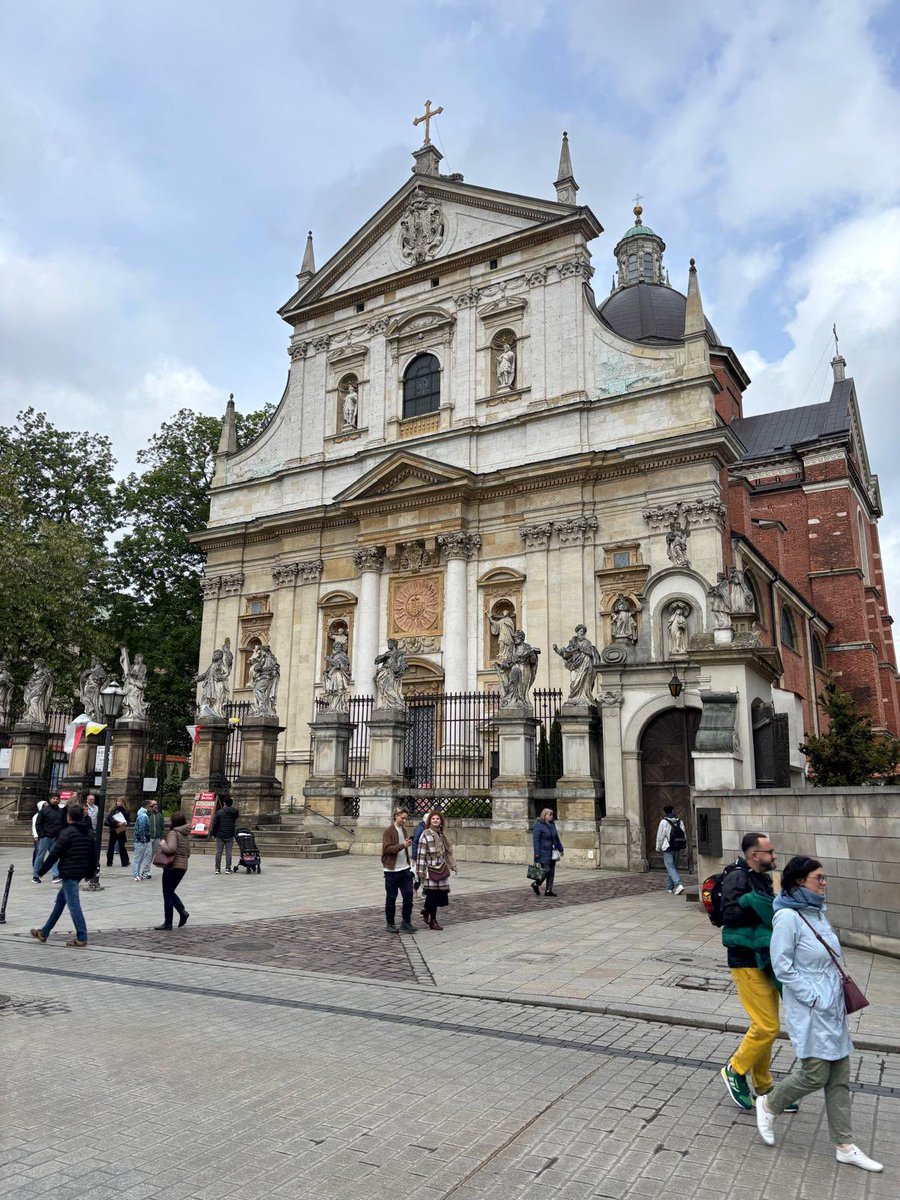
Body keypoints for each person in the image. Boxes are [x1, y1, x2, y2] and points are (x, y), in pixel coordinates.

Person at [755, 857, 882, 1171]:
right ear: (800, 881)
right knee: (815, 1073)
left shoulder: (817, 912)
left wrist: (830, 994)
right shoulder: (787, 917)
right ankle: (770, 1104)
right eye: (819, 878)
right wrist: (813, 996)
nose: (824, 883)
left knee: (839, 1075)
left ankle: (845, 1145)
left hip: (832, 1003)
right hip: (811, 1007)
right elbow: (782, 966)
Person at [720, 831, 791, 1113]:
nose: (774, 856)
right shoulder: (738, 877)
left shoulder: (760, 877)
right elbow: (730, 916)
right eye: (769, 852)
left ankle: (764, 1087)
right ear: (754, 855)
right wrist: (756, 905)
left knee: (768, 1025)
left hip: (763, 958)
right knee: (766, 1026)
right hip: (746, 960)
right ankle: (735, 1070)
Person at [30, 803, 97, 947]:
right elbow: (93, 855)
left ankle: (82, 936)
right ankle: (44, 932)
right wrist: (91, 872)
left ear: (69, 817)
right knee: (60, 902)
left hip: (69, 872)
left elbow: (54, 854)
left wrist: (41, 871)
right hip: (80, 871)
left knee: (73, 904)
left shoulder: (67, 832)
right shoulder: (89, 832)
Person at [416, 811, 456, 931]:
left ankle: (426, 911)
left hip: (441, 868)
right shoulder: (426, 834)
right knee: (432, 895)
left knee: (439, 896)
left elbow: (448, 851)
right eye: (433, 818)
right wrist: (420, 871)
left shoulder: (441, 834)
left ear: (441, 821)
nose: (435, 820)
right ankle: (433, 920)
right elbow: (421, 853)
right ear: (429, 821)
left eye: (437, 818)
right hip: (431, 869)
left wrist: (452, 865)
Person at [155, 812, 191, 931]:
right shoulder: (185, 834)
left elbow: (171, 849)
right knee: (170, 892)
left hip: (172, 867)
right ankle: (182, 912)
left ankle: (168, 922)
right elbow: (188, 853)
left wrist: (163, 844)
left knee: (167, 894)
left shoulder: (173, 833)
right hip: (182, 867)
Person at [381, 808, 415, 932]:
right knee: (391, 897)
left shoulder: (404, 830)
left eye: (406, 818)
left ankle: (406, 922)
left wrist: (406, 845)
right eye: (402, 818)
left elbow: (403, 847)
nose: (404, 820)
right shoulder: (388, 831)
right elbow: (388, 849)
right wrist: (403, 845)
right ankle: (390, 924)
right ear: (396, 816)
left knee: (408, 895)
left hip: (405, 868)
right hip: (391, 870)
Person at [33, 793, 65, 883]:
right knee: (40, 856)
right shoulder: (44, 811)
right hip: (46, 837)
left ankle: (56, 876)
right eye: (54, 798)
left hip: (56, 837)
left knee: (55, 856)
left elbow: (63, 824)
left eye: (57, 799)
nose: (55, 800)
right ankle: (35, 876)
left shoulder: (61, 811)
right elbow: (38, 824)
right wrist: (42, 835)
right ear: (50, 799)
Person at [531, 808, 563, 897]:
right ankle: (536, 884)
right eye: (550, 815)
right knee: (546, 870)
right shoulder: (538, 825)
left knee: (551, 872)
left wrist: (561, 849)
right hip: (542, 852)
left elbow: (556, 838)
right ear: (545, 815)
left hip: (552, 852)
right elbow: (536, 840)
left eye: (552, 815)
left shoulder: (552, 825)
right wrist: (536, 852)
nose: (552, 816)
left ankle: (548, 890)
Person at [655, 804, 686, 895]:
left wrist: (658, 848)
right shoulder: (680, 822)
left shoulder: (663, 822)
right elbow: (684, 834)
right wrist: (684, 846)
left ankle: (678, 884)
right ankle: (669, 887)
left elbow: (660, 836)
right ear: (672, 811)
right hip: (677, 847)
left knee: (670, 867)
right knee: (673, 867)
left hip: (667, 847)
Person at [211, 796, 240, 874]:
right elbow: (236, 818)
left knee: (219, 852)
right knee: (228, 852)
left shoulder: (219, 812)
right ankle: (227, 868)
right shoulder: (235, 812)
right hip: (230, 834)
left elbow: (215, 824)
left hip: (220, 835)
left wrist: (213, 833)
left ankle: (217, 869)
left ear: (224, 803)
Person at [131, 802, 153, 882]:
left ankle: (137, 874)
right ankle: (135, 875)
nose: (152, 808)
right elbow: (141, 829)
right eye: (151, 806)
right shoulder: (143, 816)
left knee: (139, 858)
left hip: (140, 840)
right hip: (140, 841)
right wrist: (143, 840)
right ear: (147, 807)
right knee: (138, 859)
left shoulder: (143, 814)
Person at [105, 802, 130, 866]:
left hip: (121, 830)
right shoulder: (113, 810)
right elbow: (110, 819)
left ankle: (125, 862)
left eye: (121, 801)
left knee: (122, 846)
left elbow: (128, 820)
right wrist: (117, 823)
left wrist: (126, 823)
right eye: (118, 801)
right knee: (111, 846)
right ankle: (109, 862)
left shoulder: (125, 811)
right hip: (113, 830)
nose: (119, 803)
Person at [147, 798, 164, 878]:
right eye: (153, 805)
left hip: (157, 837)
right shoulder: (147, 814)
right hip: (149, 837)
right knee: (148, 854)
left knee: (152, 854)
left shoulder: (159, 815)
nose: (156, 806)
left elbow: (162, 826)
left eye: (156, 804)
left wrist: (161, 836)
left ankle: (147, 870)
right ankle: (146, 871)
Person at [31, 799, 48, 871]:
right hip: (38, 836)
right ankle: (36, 866)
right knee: (38, 851)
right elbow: (34, 826)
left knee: (42, 852)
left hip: (45, 835)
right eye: (43, 806)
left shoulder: (46, 815)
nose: (45, 807)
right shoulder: (36, 816)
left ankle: (40, 865)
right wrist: (35, 836)